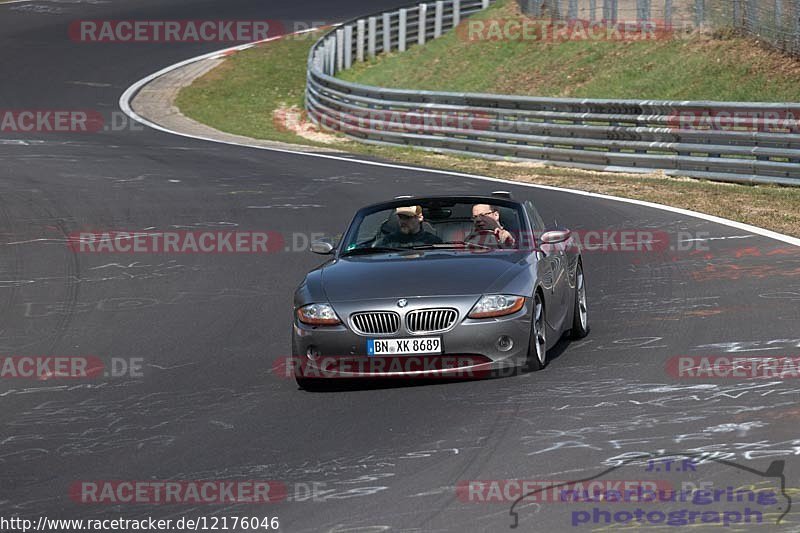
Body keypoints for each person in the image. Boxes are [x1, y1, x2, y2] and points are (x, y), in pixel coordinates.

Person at [374, 205, 442, 247]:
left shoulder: (433, 242)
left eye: (407, 217)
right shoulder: (388, 242)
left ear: (420, 218)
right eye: (401, 217)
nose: (403, 221)